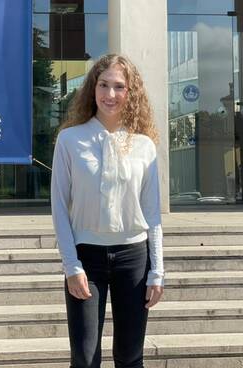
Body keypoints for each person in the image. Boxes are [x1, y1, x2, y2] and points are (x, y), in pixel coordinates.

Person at [51, 54, 164, 368]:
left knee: (130, 358)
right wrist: (71, 266)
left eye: (119, 86)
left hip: (134, 259)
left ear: (130, 93)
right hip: (87, 258)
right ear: (92, 88)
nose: (110, 94)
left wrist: (158, 271)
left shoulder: (144, 145)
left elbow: (152, 214)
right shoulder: (70, 140)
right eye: (103, 85)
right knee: (85, 358)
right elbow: (59, 207)